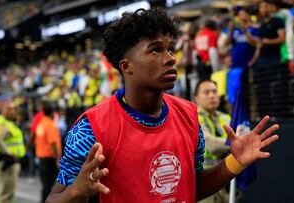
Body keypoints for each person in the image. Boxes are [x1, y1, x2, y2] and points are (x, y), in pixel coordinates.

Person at [46, 8, 279, 203]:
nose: (170, 58)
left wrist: (234, 162)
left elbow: (191, 187)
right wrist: (76, 191)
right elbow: (53, 199)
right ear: (127, 66)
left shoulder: (189, 115)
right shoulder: (90, 129)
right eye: (155, 50)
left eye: (170, 49)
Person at [194, 80, 231, 203]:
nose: (212, 95)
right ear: (196, 98)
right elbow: (209, 143)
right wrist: (234, 143)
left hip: (227, 176)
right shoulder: (193, 117)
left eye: (214, 91)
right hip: (204, 178)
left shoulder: (226, 118)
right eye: (206, 92)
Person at [0, 101, 26, 203]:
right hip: (6, 162)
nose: (13, 111)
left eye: (14, 109)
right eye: (10, 109)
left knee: (9, 194)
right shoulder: (1, 123)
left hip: (12, 162)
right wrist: (8, 152)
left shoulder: (10, 122)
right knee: (4, 195)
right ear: (4, 111)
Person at [35, 102, 62, 203]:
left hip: (42, 159)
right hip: (50, 160)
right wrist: (57, 159)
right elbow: (53, 144)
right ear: (52, 113)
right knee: (52, 187)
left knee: (45, 186)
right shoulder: (50, 125)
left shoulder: (41, 123)